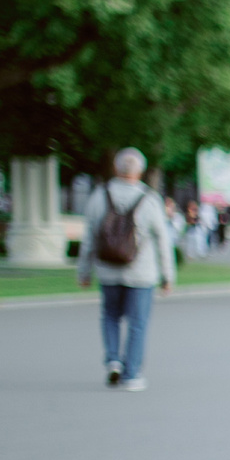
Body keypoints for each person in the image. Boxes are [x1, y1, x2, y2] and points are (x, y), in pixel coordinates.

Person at [76, 148, 174, 391]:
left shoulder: (100, 196)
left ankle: (113, 360)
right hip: (140, 274)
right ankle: (131, 375)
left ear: (116, 168)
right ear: (140, 171)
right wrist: (167, 275)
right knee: (137, 322)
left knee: (110, 316)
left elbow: (88, 237)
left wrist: (84, 271)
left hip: (108, 270)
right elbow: (163, 240)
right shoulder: (150, 199)